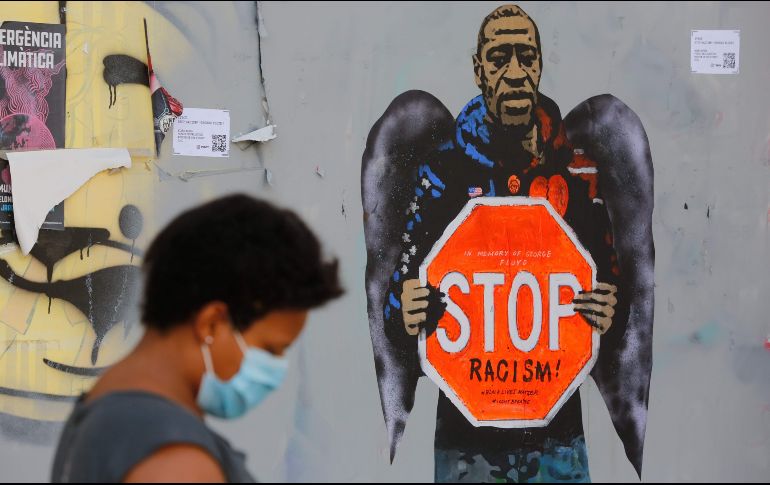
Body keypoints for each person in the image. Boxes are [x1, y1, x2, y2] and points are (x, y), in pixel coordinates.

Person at [362, 4, 654, 483]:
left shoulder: (571, 171)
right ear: (479, 69)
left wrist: (609, 307)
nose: (514, 72)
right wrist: (406, 306)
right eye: (499, 57)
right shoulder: (445, 173)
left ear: (539, 64)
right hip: (465, 436)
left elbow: (611, 288)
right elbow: (399, 297)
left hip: (557, 434)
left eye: (526, 56)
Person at [51, 194, 343, 483]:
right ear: (212, 324)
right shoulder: (175, 462)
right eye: (272, 349)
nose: (277, 371)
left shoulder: (106, 411)